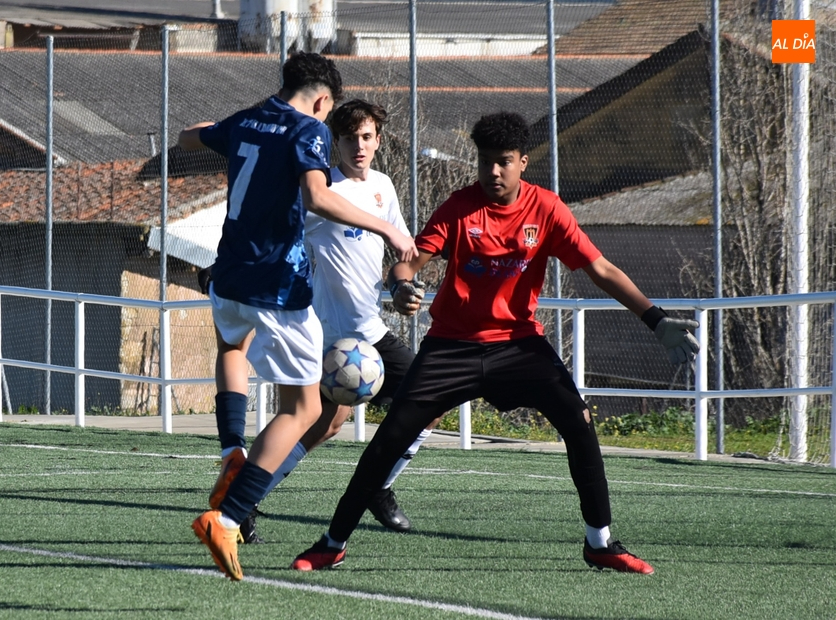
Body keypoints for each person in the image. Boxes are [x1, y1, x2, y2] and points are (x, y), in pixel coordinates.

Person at [290, 111, 700, 575]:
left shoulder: (547, 209)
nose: (493, 172)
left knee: (580, 424)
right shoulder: (459, 207)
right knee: (390, 438)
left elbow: (600, 269)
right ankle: (332, 543)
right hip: (451, 346)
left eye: (503, 162)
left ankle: (600, 543)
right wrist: (402, 285)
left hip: (520, 347)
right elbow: (408, 262)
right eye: (485, 162)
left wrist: (656, 319)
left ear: (523, 162)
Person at [178, 52, 417, 582]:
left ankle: (231, 452)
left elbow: (188, 137)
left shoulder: (248, 119)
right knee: (306, 409)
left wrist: (208, 135)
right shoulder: (306, 130)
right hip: (275, 283)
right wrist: (389, 231)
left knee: (231, 350)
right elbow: (317, 195)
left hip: (229, 276)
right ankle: (230, 516)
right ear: (325, 101)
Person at [240, 99, 440, 542]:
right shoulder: (320, 187)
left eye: (366, 137)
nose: (359, 146)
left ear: (378, 141)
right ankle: (244, 502)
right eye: (349, 138)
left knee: (429, 405)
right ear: (335, 142)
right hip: (325, 336)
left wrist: (402, 289)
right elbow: (275, 234)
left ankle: (379, 487)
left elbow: (398, 260)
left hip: (370, 334)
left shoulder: (384, 187)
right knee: (321, 423)